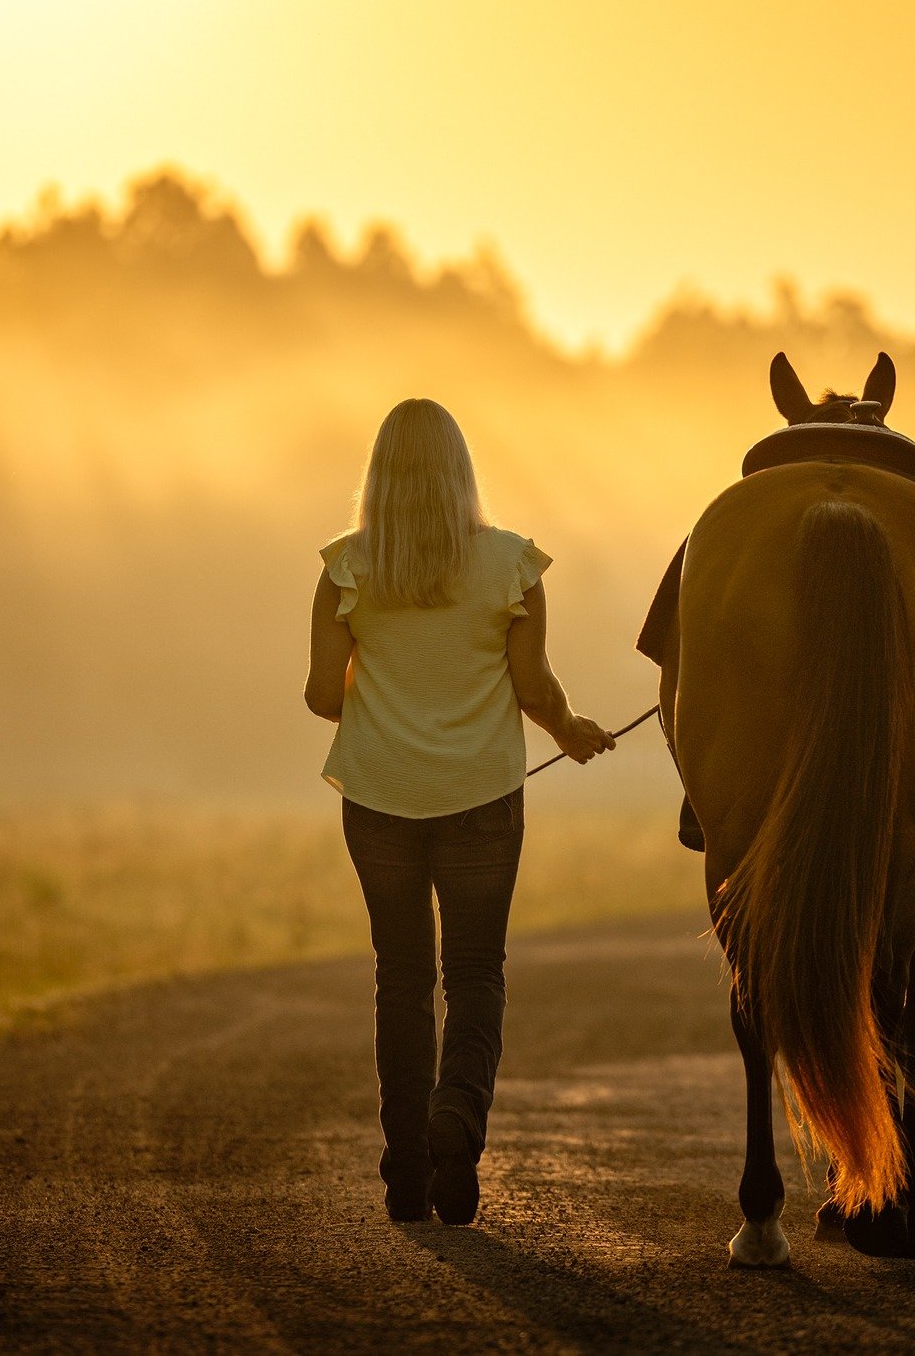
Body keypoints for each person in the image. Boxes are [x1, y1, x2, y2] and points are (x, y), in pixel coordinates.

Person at [304, 398, 616, 1226]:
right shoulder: (513, 564)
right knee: (475, 973)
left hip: (377, 798)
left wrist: (389, 697)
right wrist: (573, 732)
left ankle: (406, 1170)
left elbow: (316, 695)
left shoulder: (344, 566)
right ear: (460, 471)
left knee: (399, 976)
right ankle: (458, 1122)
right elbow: (533, 687)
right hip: (481, 799)